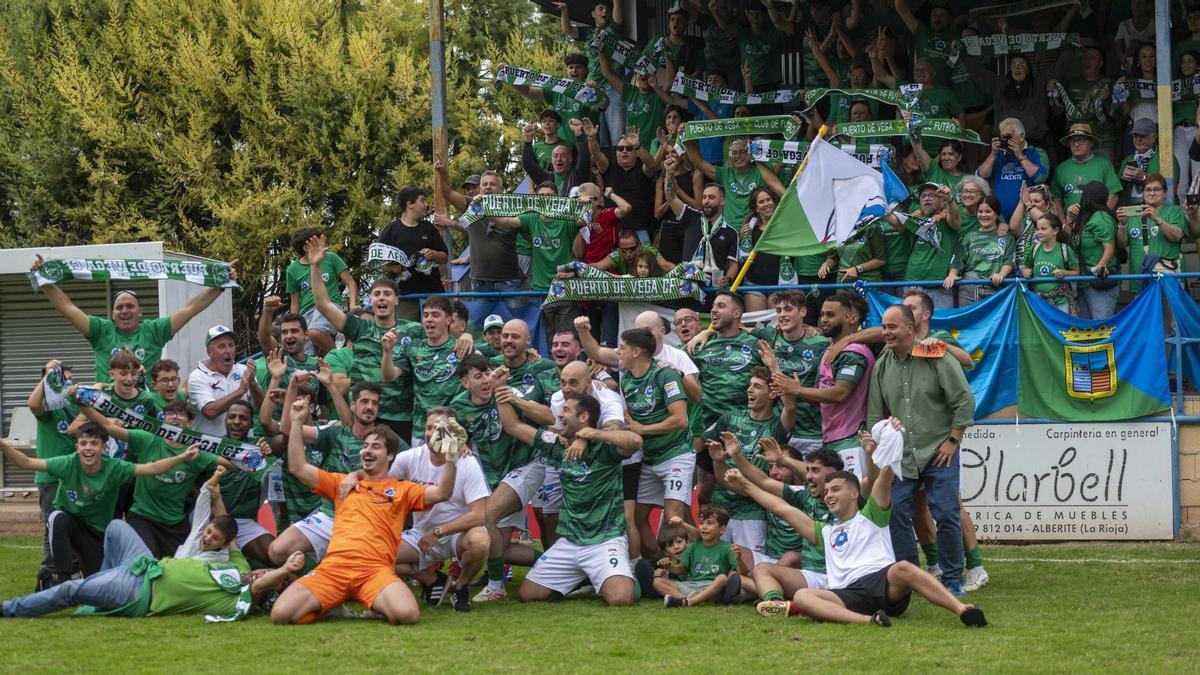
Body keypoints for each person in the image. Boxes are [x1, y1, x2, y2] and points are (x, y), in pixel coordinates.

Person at [739, 431, 987, 627]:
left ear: (854, 492)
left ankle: (962, 609)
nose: (829, 495)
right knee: (803, 596)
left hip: (883, 584)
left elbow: (883, 478)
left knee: (902, 567)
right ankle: (869, 620)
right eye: (826, 493)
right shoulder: (825, 531)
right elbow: (782, 509)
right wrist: (745, 485)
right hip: (847, 594)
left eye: (835, 489)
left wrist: (880, 450)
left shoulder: (872, 515)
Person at [1, 468, 304, 620]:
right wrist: (215, 492)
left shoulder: (237, 598)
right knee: (118, 526)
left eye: (268, 581)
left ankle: (8, 610)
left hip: (139, 591)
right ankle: (98, 586)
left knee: (69, 591)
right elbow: (228, 530)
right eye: (265, 572)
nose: (261, 575)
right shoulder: (237, 564)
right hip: (145, 565)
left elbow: (258, 586)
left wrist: (284, 571)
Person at [270, 400, 457, 625]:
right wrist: (297, 422)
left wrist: (452, 454)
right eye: (365, 446)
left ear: (390, 456)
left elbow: (443, 493)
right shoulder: (342, 483)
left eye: (375, 447)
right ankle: (332, 604)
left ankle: (363, 603)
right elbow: (298, 467)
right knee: (281, 614)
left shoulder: (403, 489)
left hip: (375, 572)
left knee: (408, 614)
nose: (367, 451)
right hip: (334, 569)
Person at [0, 423, 205, 586]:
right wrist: (3, 444)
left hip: (97, 532)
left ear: (103, 447)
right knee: (56, 518)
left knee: (97, 583)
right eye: (84, 443)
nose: (88, 448)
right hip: (71, 522)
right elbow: (26, 463)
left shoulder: (115, 467)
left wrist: (182, 457)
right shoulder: (67, 463)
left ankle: (48, 579)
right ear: (77, 446)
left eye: (94, 443)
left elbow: (151, 469)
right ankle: (63, 581)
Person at [497, 391, 643, 606]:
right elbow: (513, 426)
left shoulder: (605, 448)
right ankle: (582, 579)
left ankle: (634, 576)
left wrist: (590, 434)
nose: (560, 414)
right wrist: (503, 392)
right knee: (528, 595)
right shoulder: (557, 444)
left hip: (605, 540)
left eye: (566, 410)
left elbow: (635, 440)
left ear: (583, 417)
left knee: (621, 599)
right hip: (570, 541)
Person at [868, 304, 975, 596]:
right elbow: (875, 416)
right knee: (896, 513)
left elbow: (964, 401)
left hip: (939, 449)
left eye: (892, 327)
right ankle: (911, 577)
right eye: (884, 327)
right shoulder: (881, 365)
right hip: (902, 456)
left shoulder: (934, 353)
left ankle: (953, 579)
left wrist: (953, 440)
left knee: (947, 513)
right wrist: (879, 442)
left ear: (910, 328)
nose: (886, 332)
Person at [340, 409, 489, 613]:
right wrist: (354, 475)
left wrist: (438, 532)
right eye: (428, 428)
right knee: (373, 555)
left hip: (457, 534)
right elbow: (379, 478)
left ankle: (460, 588)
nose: (431, 432)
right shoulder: (410, 457)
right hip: (421, 533)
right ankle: (433, 579)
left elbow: (479, 514)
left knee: (480, 542)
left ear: (451, 432)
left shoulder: (467, 462)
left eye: (439, 428)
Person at [28, 256, 236, 383]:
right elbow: (68, 308)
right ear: (112, 314)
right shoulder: (101, 330)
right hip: (107, 409)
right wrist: (45, 280)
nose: (125, 311)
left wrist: (220, 285)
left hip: (144, 409)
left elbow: (191, 308)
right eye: (119, 307)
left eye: (130, 306)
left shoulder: (155, 330)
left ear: (140, 312)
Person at [81, 400, 225, 558]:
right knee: (145, 560)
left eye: (181, 414)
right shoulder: (147, 439)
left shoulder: (198, 453)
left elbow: (230, 463)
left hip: (173, 521)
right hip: (142, 515)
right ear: (163, 419)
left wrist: (251, 457)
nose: (174, 417)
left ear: (190, 423)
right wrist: (80, 403)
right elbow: (107, 427)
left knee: (180, 564)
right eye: (170, 414)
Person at [268, 380, 387, 566]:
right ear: (353, 405)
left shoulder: (388, 440)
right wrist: (292, 394)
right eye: (364, 401)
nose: (370, 407)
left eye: (375, 403)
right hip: (329, 514)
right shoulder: (335, 433)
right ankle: (315, 573)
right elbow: (289, 429)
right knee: (277, 551)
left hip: (365, 518)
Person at [703, 367, 795, 570]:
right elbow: (706, 450)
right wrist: (717, 461)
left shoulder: (777, 425)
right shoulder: (729, 418)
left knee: (749, 568)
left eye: (757, 387)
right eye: (749, 385)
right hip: (722, 506)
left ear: (772, 393)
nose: (749, 390)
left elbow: (790, 407)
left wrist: (773, 365)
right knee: (712, 566)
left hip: (752, 510)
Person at [777, 294, 874, 478]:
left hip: (852, 440)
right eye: (822, 315)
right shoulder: (829, 348)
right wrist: (790, 389)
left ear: (850, 318)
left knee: (853, 501)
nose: (823, 320)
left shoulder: (854, 351)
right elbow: (820, 397)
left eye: (830, 315)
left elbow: (840, 393)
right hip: (832, 440)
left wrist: (798, 390)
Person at [744, 444, 840, 604]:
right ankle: (776, 604)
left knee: (791, 564)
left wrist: (783, 459)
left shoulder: (852, 502)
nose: (808, 476)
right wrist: (743, 483)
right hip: (812, 576)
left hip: (842, 580)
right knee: (762, 569)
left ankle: (745, 585)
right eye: (807, 470)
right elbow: (773, 497)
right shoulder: (806, 496)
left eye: (815, 470)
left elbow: (870, 484)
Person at [434, 161, 523, 299]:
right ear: (480, 189)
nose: (488, 187)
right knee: (480, 321)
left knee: (514, 321)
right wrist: (443, 173)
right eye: (484, 184)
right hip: (480, 282)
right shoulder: (472, 205)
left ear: (501, 189)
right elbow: (447, 192)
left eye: (493, 184)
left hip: (509, 282)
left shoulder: (514, 208)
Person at [380, 296, 463, 443]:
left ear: (449, 320)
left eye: (435, 315)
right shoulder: (413, 347)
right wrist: (387, 352)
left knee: (445, 466)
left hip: (449, 427)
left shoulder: (460, 347)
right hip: (420, 429)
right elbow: (388, 376)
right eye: (426, 315)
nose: (429, 319)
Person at [28, 360, 78, 590]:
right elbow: (32, 404)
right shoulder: (47, 406)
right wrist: (47, 374)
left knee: (75, 524)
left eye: (68, 378)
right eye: (59, 379)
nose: (65, 383)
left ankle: (71, 573)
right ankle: (48, 575)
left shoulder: (75, 403)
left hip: (76, 474)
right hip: (51, 478)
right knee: (53, 525)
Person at [556, 1, 626, 145]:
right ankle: (601, 166)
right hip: (592, 89)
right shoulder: (588, 32)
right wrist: (564, 10)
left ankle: (617, 165)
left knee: (617, 135)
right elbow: (567, 29)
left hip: (613, 87)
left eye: (607, 9)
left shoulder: (613, 30)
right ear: (593, 14)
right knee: (598, 135)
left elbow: (618, 18)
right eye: (600, 9)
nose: (604, 12)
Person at [215, 400, 275, 565]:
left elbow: (282, 440)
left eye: (242, 418)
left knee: (275, 554)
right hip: (211, 520)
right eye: (232, 417)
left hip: (243, 522)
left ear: (250, 424)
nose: (236, 422)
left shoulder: (257, 449)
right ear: (225, 420)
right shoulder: (212, 446)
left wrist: (266, 455)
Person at [376, 186, 449, 319]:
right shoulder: (391, 229)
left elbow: (444, 257)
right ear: (409, 204)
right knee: (407, 335)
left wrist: (433, 254)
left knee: (438, 335)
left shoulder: (429, 228)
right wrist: (391, 267)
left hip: (433, 295)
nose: (426, 205)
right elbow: (377, 260)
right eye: (422, 200)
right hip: (404, 297)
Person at [285, 227, 357, 355]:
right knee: (305, 354)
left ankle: (341, 358)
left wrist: (352, 305)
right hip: (306, 312)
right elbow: (295, 303)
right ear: (306, 247)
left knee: (315, 331)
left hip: (330, 305)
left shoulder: (331, 258)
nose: (322, 243)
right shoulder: (292, 269)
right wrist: (293, 324)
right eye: (317, 241)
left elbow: (351, 283)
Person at [685, 138, 782, 233]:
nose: (738, 156)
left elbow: (783, 160)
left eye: (742, 152)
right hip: (729, 231)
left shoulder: (761, 172)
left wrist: (793, 130)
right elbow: (698, 162)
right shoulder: (724, 174)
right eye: (734, 153)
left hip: (753, 229)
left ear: (749, 154)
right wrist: (686, 138)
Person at [888, 182, 960, 308]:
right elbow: (892, 220)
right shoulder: (914, 221)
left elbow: (955, 219)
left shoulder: (947, 220)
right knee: (912, 324)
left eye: (932, 195)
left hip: (940, 284)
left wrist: (950, 199)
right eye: (923, 196)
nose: (926, 198)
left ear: (942, 201)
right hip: (912, 284)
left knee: (941, 326)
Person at [654, 504, 742, 607]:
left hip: (711, 586)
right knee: (657, 582)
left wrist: (739, 559)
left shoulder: (727, 548)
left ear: (722, 529)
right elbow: (680, 569)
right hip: (690, 585)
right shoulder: (693, 547)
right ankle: (690, 600)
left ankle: (687, 602)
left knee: (722, 578)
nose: (704, 527)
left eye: (709, 523)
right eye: (701, 523)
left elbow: (739, 574)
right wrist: (669, 566)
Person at [187, 325, 262, 438]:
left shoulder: (243, 370)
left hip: (242, 448)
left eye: (231, 345)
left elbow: (261, 408)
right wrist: (240, 391)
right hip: (209, 450)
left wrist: (253, 385)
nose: (228, 351)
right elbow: (210, 412)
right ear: (210, 352)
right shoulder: (197, 377)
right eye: (221, 346)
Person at [944, 195, 1016, 306]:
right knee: (968, 322)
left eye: (988, 211)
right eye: (980, 211)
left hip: (996, 287)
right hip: (969, 288)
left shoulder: (1007, 237)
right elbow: (958, 260)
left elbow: (1009, 260)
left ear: (997, 214)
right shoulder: (968, 236)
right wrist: (952, 274)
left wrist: (1001, 275)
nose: (983, 215)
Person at [976, 118, 1051, 221]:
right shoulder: (998, 154)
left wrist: (1019, 155)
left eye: (1008, 137)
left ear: (1021, 136)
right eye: (1002, 137)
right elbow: (980, 177)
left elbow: (1040, 177)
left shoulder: (1035, 152)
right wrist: (993, 153)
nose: (1005, 141)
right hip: (1000, 219)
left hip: (1028, 218)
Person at [1066, 181, 1120, 320]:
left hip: (1099, 281)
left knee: (1101, 326)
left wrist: (1101, 265)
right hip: (1083, 280)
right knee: (1085, 329)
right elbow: (1066, 239)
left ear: (1087, 198)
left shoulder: (1102, 218)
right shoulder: (1085, 217)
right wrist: (1070, 218)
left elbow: (1109, 246)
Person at [1117, 173, 1187, 278]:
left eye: (1157, 189)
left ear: (1165, 193)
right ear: (1143, 193)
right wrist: (1122, 225)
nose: (1152, 193)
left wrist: (1156, 219)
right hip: (1138, 277)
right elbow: (1122, 243)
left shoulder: (1174, 211)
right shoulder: (1133, 214)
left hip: (1167, 276)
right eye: (1148, 189)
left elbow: (1177, 236)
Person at [592, 125, 658, 235]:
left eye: (629, 148)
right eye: (620, 148)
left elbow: (652, 165)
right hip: (612, 229)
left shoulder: (642, 168)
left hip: (639, 229)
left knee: (647, 253)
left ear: (636, 153)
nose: (624, 151)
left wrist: (637, 146)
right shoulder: (608, 167)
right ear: (616, 152)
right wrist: (591, 139)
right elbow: (597, 155)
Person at [1051, 123, 1121, 214]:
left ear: (1091, 143)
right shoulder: (1061, 169)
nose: (1076, 144)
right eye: (1072, 141)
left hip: (1097, 224)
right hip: (1071, 222)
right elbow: (1056, 200)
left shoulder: (1104, 164)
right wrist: (1065, 225)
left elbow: (1113, 196)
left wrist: (1101, 218)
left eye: (1081, 140)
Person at [521, 118, 595, 199]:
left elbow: (584, 158)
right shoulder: (546, 178)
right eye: (555, 156)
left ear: (570, 159)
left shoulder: (577, 176)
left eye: (563, 156)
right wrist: (528, 140)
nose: (559, 159)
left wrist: (578, 133)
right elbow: (528, 164)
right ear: (552, 160)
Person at [1021, 213, 1080, 312]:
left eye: (1043, 229)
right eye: (1038, 229)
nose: (1039, 232)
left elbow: (1077, 272)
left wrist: (1065, 273)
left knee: (1061, 327)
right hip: (1039, 300)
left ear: (1055, 231)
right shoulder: (1034, 248)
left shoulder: (1065, 249)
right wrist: (1025, 272)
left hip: (1061, 301)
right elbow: (1025, 267)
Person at [1118, 118, 1180, 207]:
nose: (1138, 139)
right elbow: (1116, 192)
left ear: (1154, 137)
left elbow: (1172, 190)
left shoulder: (1166, 157)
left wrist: (1144, 178)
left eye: (1143, 136)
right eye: (1135, 135)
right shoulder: (1129, 159)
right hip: (1133, 212)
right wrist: (1124, 180)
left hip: (1161, 212)